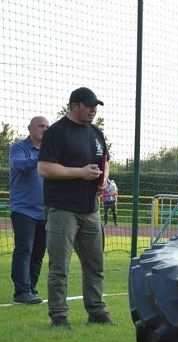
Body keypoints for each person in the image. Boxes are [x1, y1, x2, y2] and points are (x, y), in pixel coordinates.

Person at [38, 87, 114, 328]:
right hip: (62, 209)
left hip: (90, 209)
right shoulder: (57, 132)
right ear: (74, 105)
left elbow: (106, 162)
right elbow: (45, 168)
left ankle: (97, 313)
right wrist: (80, 173)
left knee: (95, 265)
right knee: (59, 266)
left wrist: (103, 180)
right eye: (89, 105)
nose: (94, 109)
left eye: (96, 106)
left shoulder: (96, 132)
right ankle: (59, 317)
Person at [8, 116, 49, 304]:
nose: (45, 129)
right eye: (41, 126)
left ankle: (31, 289)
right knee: (24, 250)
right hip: (23, 209)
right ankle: (21, 292)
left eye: (47, 127)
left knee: (39, 252)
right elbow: (19, 165)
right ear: (30, 128)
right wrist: (41, 157)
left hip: (45, 211)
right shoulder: (19, 148)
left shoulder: (49, 152)